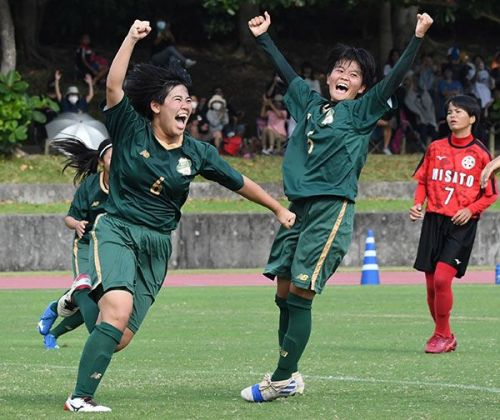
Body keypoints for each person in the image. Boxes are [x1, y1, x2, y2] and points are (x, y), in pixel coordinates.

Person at [62, 19, 296, 413]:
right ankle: (79, 397)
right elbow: (113, 86)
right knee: (116, 309)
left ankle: (81, 295)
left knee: (118, 336)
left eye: (190, 100)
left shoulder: (197, 153)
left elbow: (239, 181)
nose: (187, 105)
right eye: (179, 99)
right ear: (156, 106)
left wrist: (277, 208)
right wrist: (131, 38)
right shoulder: (131, 129)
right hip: (118, 229)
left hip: (157, 246)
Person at [240, 11, 433, 403]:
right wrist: (264, 38)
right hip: (297, 208)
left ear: (362, 87)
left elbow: (395, 79)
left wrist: (417, 38)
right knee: (282, 290)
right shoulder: (309, 104)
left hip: (331, 208)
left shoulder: (362, 111)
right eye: (339, 69)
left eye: (355, 74)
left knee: (301, 292)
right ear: (328, 76)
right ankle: (289, 374)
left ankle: (280, 378)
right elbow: (288, 74)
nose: (345, 75)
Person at [410, 95, 497, 354]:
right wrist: (418, 204)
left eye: (459, 111)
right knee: (429, 284)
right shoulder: (435, 147)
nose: (452, 115)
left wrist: (470, 210)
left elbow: (491, 194)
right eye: (449, 111)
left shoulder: (481, 154)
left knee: (441, 279)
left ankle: (441, 334)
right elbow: (423, 181)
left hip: (461, 225)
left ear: (472, 118)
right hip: (433, 220)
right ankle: (445, 335)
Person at [37, 139, 112, 350]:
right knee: (83, 290)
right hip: (86, 245)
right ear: (101, 161)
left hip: (111, 246)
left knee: (98, 298)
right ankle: (98, 343)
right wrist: (77, 224)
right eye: (112, 156)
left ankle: (53, 327)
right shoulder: (89, 186)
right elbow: (69, 219)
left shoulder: (128, 185)